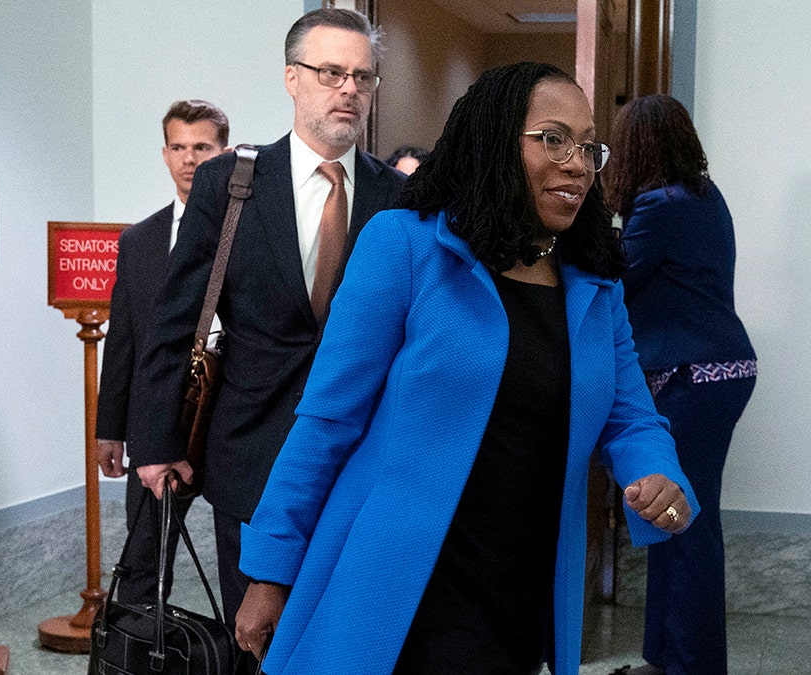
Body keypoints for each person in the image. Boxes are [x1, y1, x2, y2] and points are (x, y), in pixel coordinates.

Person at [234, 62, 701, 675]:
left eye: (590, 147)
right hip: (400, 582)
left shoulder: (592, 282)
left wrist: (658, 473)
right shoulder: (405, 246)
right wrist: (271, 570)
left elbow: (630, 415)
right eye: (553, 139)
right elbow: (327, 420)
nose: (578, 164)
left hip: (520, 584)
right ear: (494, 141)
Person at [125, 6, 405, 647]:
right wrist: (156, 441)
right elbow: (173, 320)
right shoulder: (231, 182)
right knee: (255, 638)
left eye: (363, 77)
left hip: (362, 458)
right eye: (332, 72)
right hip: (251, 454)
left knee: (345, 639)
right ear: (291, 78)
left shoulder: (400, 196)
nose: (349, 90)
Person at [605, 94, 757, 675]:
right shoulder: (703, 197)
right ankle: (665, 659)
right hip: (721, 370)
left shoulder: (659, 207)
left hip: (694, 376)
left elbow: (614, 276)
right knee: (679, 518)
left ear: (636, 148)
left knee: (684, 522)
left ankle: (689, 667)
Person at [95, 99, 230, 604]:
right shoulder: (140, 241)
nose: (189, 159)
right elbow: (125, 339)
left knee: (245, 562)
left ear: (225, 152)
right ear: (165, 153)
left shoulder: (254, 231)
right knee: (143, 563)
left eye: (202, 147)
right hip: (159, 422)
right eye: (178, 147)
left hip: (234, 413)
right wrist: (111, 428)